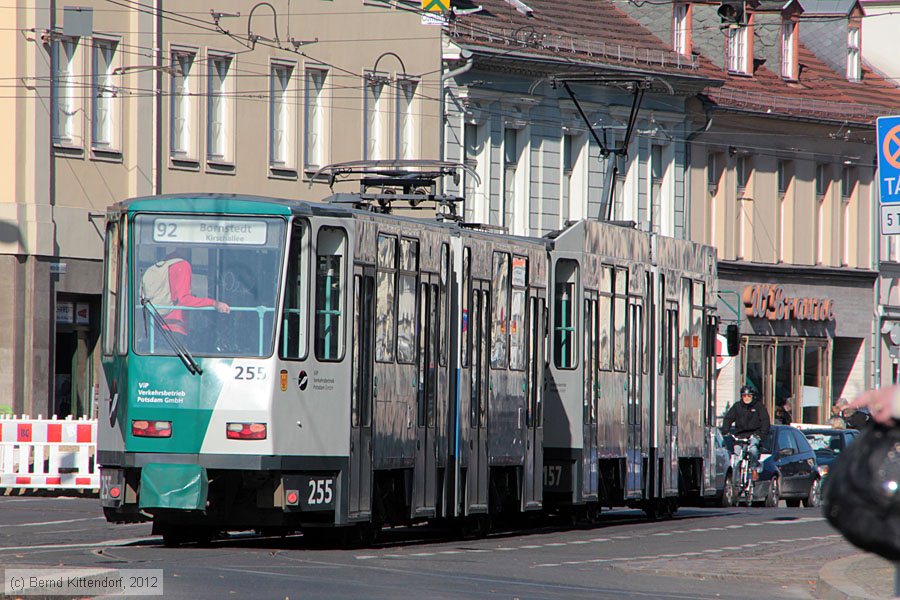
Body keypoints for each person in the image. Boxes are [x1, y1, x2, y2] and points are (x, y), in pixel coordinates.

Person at [145, 252, 230, 339]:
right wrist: (214, 303)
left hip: (156, 325)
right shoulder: (182, 265)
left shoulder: (166, 265)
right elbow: (184, 300)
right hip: (174, 329)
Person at [721, 385, 771, 467]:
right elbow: (728, 418)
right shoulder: (737, 406)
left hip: (754, 434)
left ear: (753, 396)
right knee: (737, 453)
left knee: (753, 449)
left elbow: (765, 421)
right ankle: (736, 476)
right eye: (744, 396)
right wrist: (725, 430)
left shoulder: (759, 406)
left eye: (749, 396)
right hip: (740, 435)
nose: (746, 398)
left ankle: (754, 468)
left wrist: (762, 434)